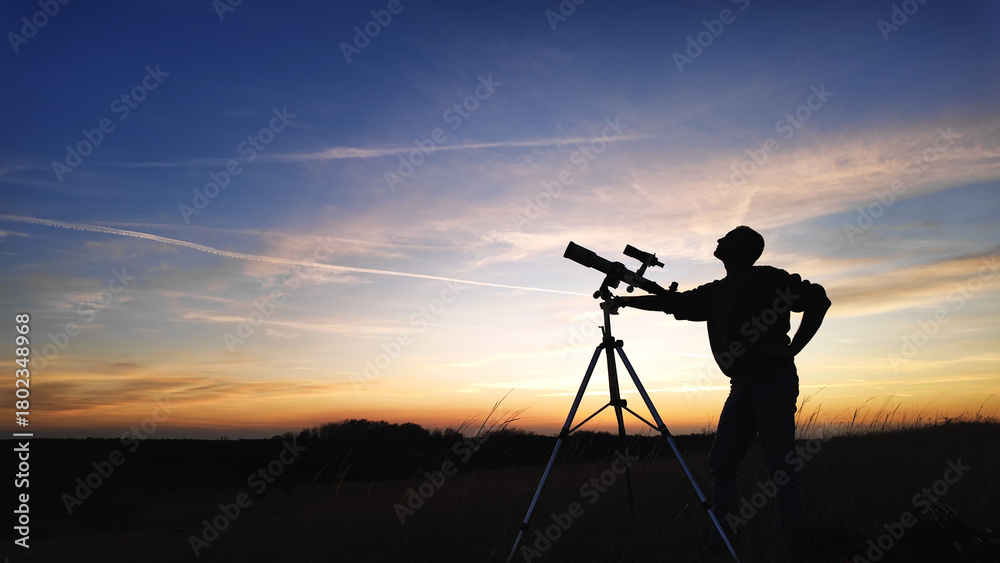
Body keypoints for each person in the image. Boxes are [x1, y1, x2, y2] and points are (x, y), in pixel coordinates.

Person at [616, 225, 831, 558]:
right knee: (722, 461)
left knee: (780, 466)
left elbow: (818, 299)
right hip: (740, 385)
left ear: (744, 249)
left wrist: (794, 349)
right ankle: (721, 547)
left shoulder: (769, 278)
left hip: (772, 380)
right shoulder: (716, 291)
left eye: (727, 238)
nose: (718, 241)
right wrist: (624, 301)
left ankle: (789, 550)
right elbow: (673, 303)